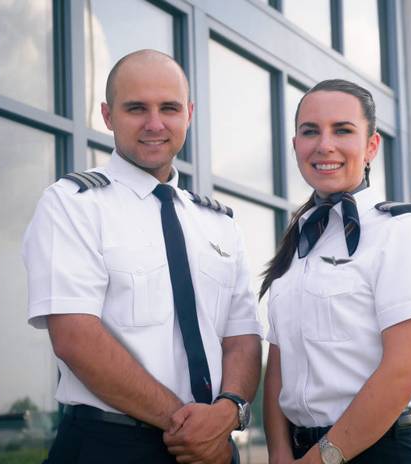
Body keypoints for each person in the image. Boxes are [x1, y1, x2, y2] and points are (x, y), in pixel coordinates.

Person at [22, 49, 262, 464]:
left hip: (213, 448)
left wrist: (228, 412)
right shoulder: (72, 205)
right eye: (136, 108)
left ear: (188, 113)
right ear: (108, 115)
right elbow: (75, 338)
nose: (155, 123)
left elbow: (242, 337)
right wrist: (191, 429)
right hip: (110, 446)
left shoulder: (220, 223)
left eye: (168, 108)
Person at [260, 79, 411, 464]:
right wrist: (278, 451)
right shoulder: (301, 241)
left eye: (342, 130)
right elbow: (279, 363)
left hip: (376, 451)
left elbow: (403, 372)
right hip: (300, 451)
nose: (324, 145)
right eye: (310, 131)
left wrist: (318, 460)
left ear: (371, 146)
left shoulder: (398, 231)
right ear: (296, 146)